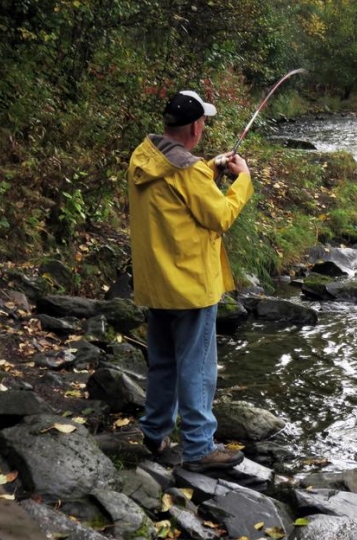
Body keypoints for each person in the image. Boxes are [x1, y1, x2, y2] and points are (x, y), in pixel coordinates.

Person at [127, 90, 254, 472]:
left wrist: (210, 165)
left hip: (157, 282)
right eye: (204, 123)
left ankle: (154, 432)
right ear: (196, 127)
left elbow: (180, 190)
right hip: (191, 285)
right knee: (197, 367)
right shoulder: (190, 171)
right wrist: (241, 180)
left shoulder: (142, 157)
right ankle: (199, 447)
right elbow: (220, 216)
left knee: (164, 362)